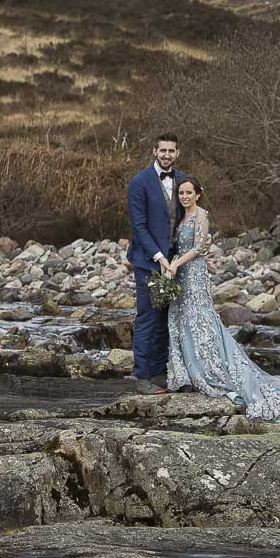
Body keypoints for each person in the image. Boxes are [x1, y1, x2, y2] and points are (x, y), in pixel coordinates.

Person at [163, 177, 280, 422]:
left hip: (193, 275)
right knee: (183, 320)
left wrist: (175, 263)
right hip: (180, 276)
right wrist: (171, 264)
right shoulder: (183, 217)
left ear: (198, 194)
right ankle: (188, 372)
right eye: (181, 193)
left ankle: (209, 370)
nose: (184, 196)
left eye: (189, 193)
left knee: (200, 321)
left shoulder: (201, 215)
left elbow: (197, 248)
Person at [125, 132, 185, 395]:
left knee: (167, 320)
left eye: (171, 151)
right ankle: (143, 377)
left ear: (177, 153)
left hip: (176, 264)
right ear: (154, 151)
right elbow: (139, 227)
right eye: (163, 151)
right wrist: (159, 258)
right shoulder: (139, 182)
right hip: (148, 263)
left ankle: (160, 373)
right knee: (148, 318)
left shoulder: (183, 181)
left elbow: (190, 218)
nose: (167, 155)